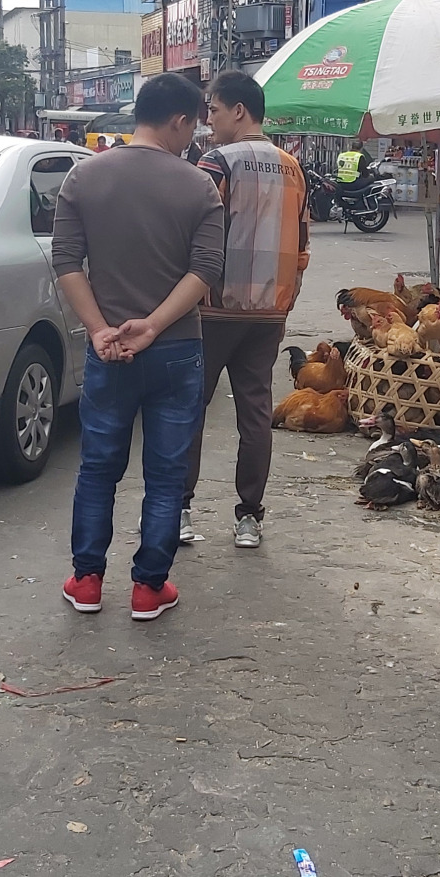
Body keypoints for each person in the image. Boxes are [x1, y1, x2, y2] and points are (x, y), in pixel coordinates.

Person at [53, 72, 226, 622]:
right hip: (176, 349)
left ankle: (85, 581)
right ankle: (149, 588)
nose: (192, 138)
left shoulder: (83, 178)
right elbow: (204, 273)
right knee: (166, 474)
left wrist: (101, 329)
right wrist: (151, 325)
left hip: (108, 353)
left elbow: (66, 263)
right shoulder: (200, 187)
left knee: (98, 467)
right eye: (192, 126)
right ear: (178, 120)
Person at [180, 70, 310, 549]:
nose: (207, 119)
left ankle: (180, 509)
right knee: (255, 414)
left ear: (239, 111)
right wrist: (285, 300)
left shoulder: (215, 164)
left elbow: (194, 233)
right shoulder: (292, 167)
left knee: (189, 409)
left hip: (214, 309)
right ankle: (249, 517)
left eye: (212, 109)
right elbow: (302, 245)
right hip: (269, 315)